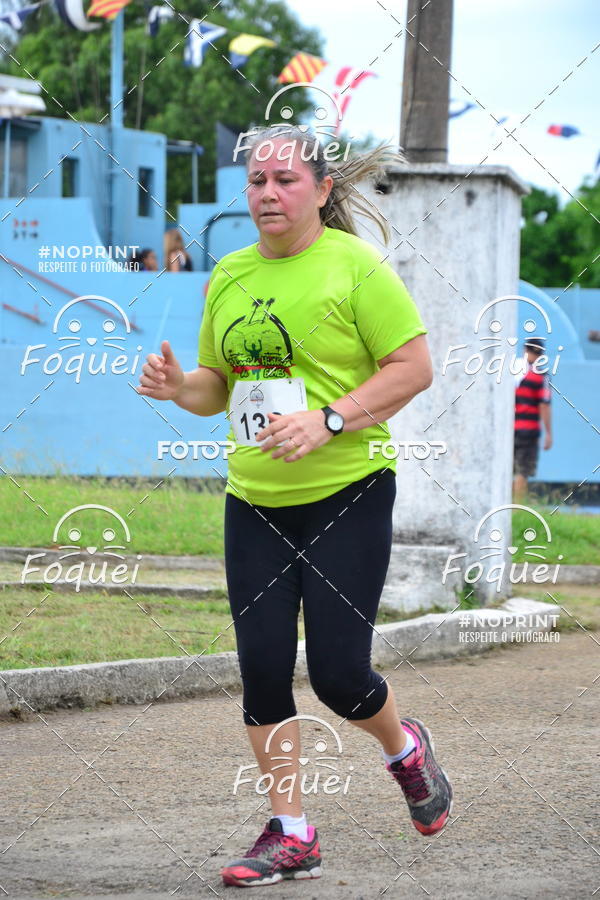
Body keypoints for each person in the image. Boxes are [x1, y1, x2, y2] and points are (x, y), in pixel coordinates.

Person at [137, 125, 453, 888]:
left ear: (319, 189)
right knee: (263, 672)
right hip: (255, 500)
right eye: (256, 181)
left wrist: (329, 418)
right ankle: (292, 833)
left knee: (341, 677)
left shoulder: (355, 268)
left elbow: (414, 369)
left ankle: (405, 749)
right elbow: (219, 385)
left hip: (348, 493)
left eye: (284, 180)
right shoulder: (231, 274)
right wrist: (182, 388)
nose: (268, 193)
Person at [513, 337, 553, 501]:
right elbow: (544, 405)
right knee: (523, 471)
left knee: (509, 470)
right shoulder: (541, 377)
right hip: (529, 431)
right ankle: (518, 508)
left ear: (525, 350)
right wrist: (549, 433)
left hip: (509, 430)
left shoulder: (511, 372)